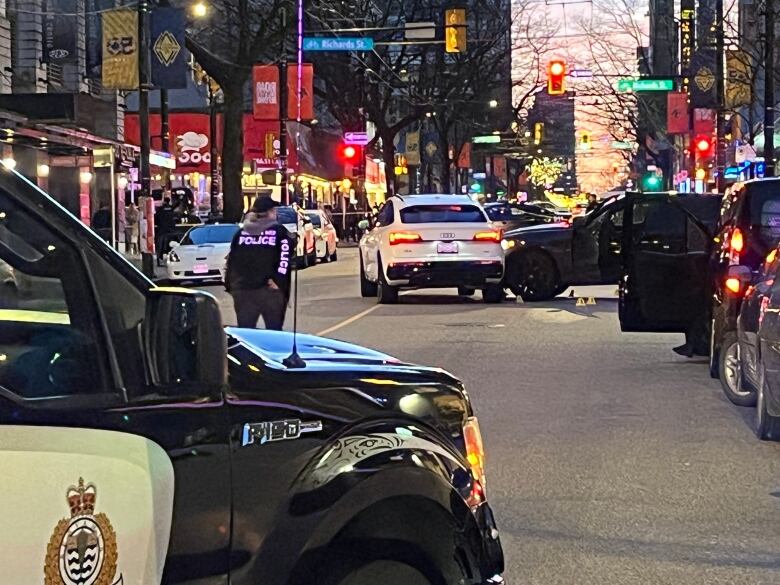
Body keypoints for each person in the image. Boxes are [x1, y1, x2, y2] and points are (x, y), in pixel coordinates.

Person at [225, 195, 294, 330]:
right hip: (269, 290)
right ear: (270, 212)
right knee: (274, 332)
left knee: (246, 333)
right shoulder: (279, 233)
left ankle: (248, 352)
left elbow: (232, 260)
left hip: (243, 290)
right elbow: (285, 258)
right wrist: (279, 281)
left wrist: (231, 284)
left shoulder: (241, 234)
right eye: (274, 210)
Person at [155, 197, 175, 265]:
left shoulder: (160, 209)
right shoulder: (171, 208)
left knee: (160, 244)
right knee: (172, 243)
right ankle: (171, 257)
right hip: (171, 229)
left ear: (164, 201)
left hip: (162, 229)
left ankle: (159, 259)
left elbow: (156, 217)